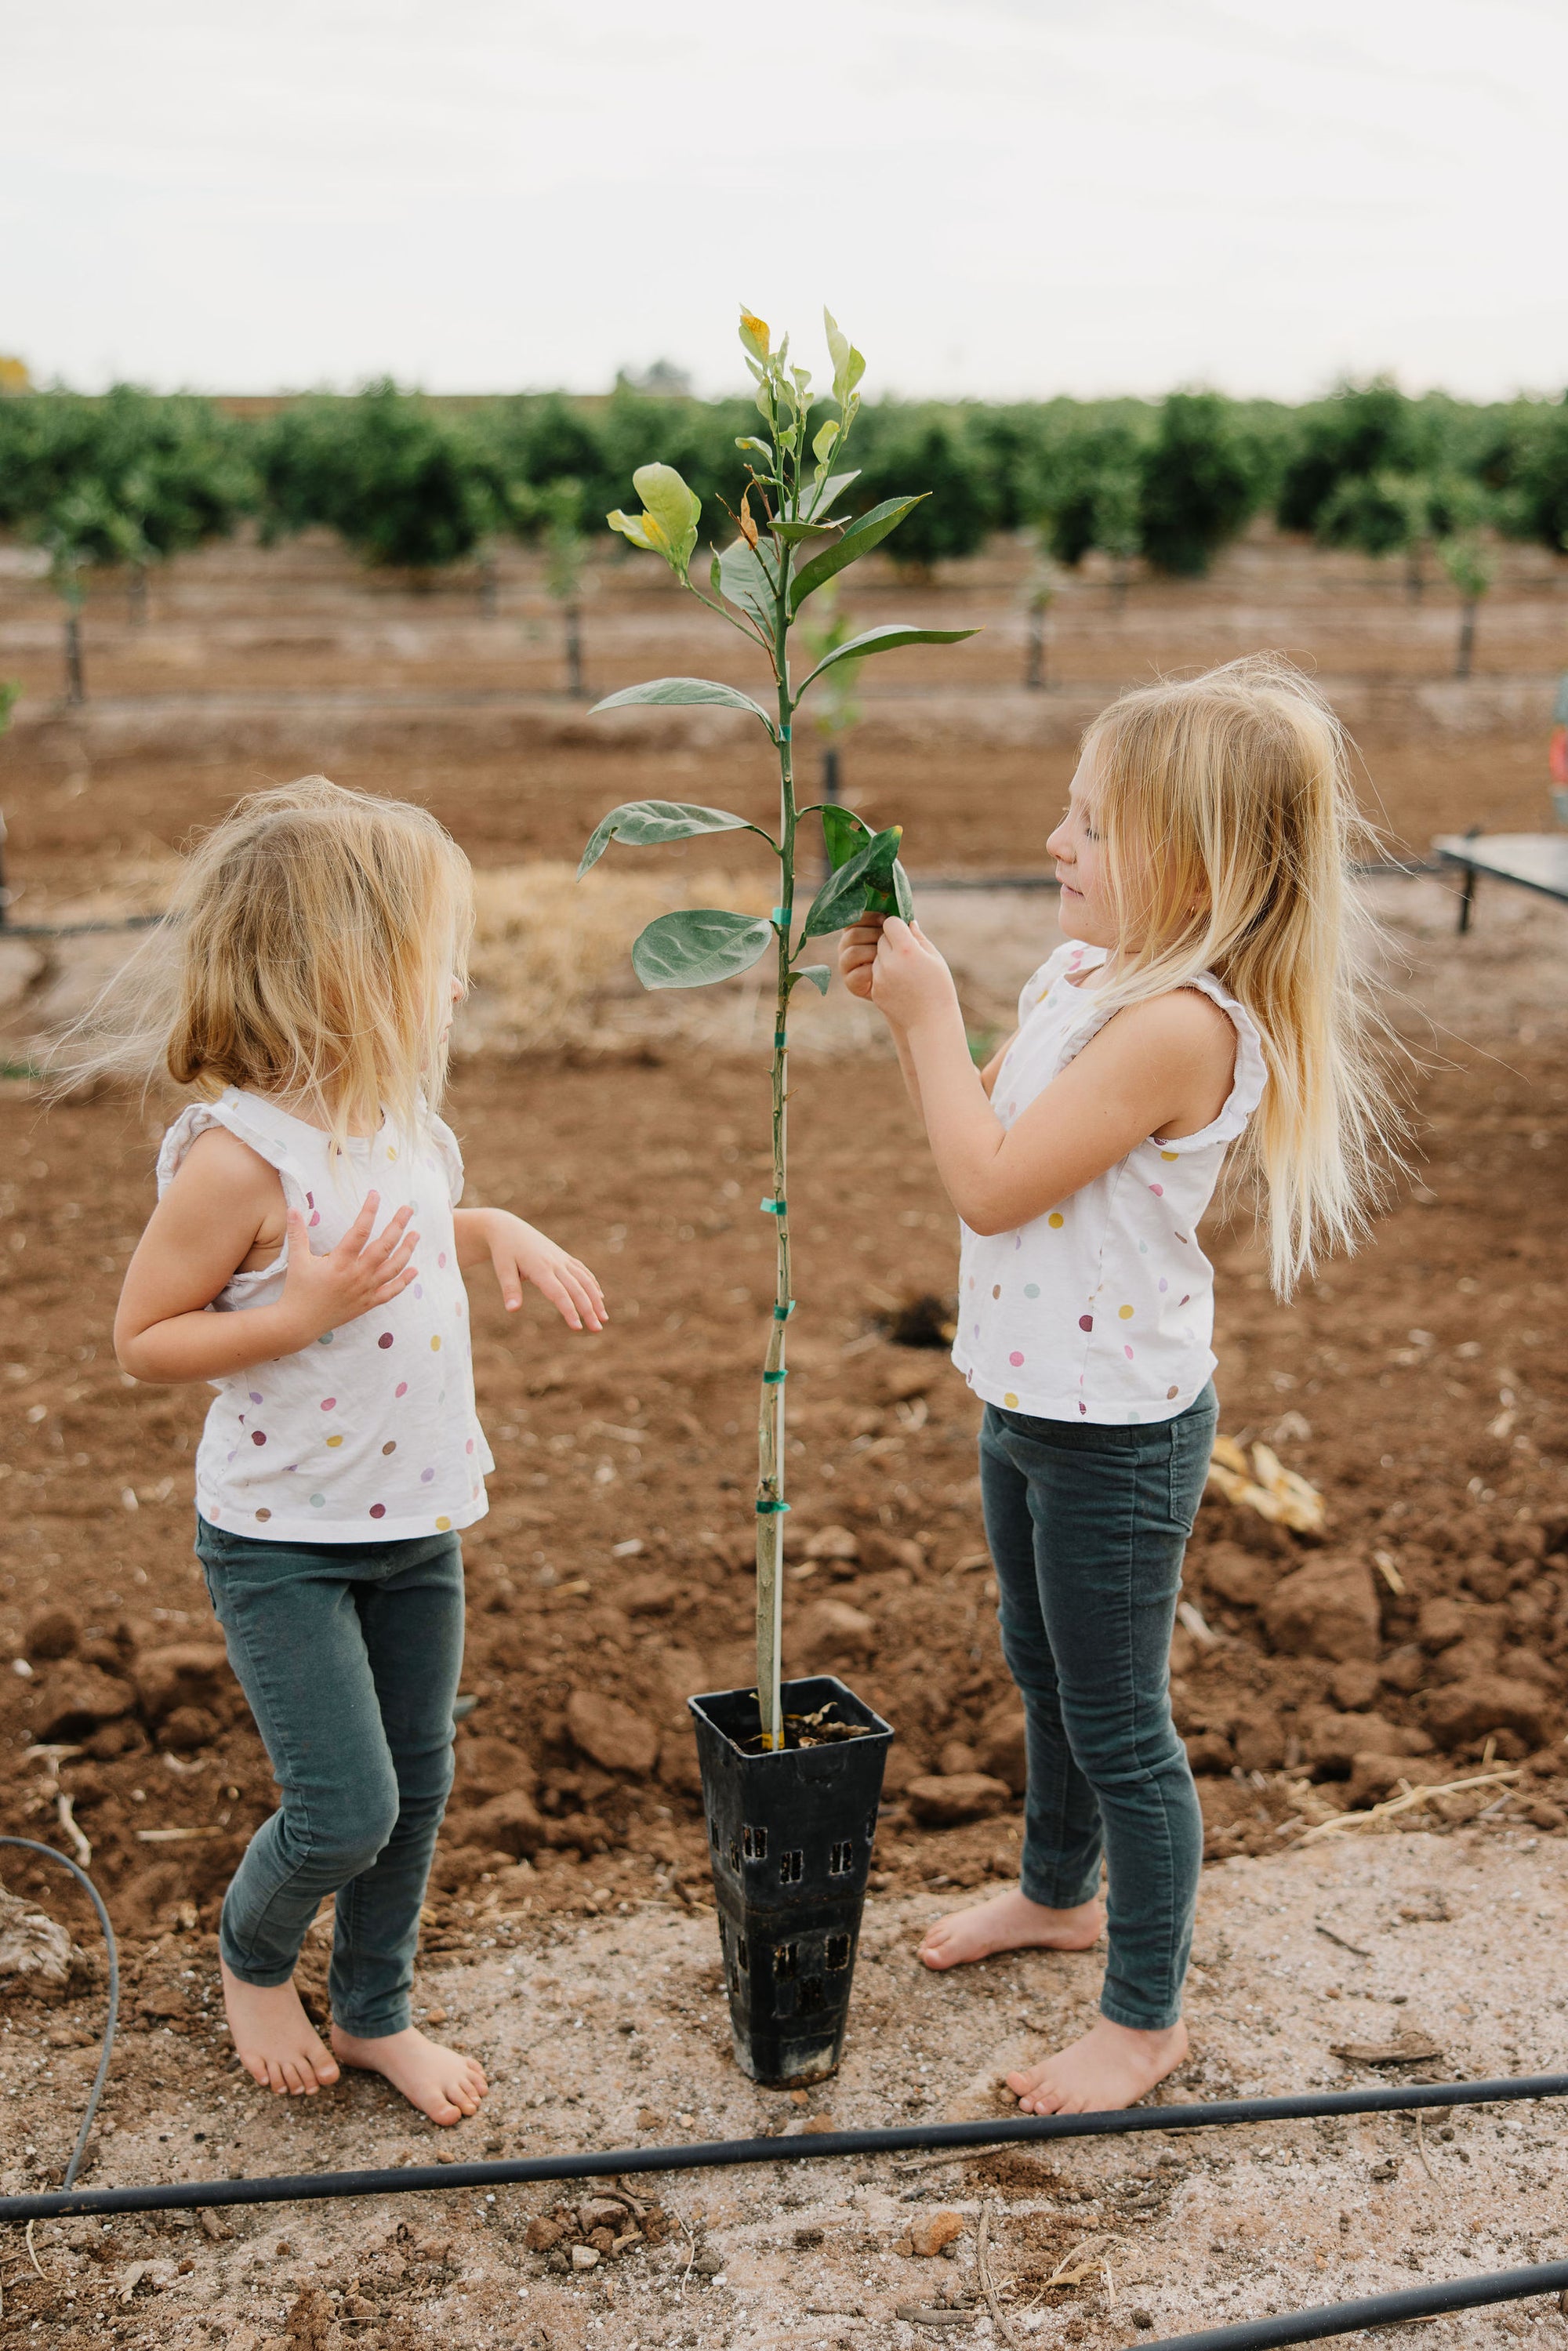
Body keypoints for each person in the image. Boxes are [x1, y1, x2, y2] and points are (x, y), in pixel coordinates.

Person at [840, 656, 1396, 2115]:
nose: (1054, 844)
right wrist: (941, 1021)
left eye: (1089, 824)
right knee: (1046, 1674)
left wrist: (919, 1019)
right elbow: (1012, 1119)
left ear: (1191, 861)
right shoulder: (1087, 976)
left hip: (1117, 1438)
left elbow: (990, 1185)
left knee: (1122, 1727)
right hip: (1029, 1398)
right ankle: (1056, 1892)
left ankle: (1144, 2019)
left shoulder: (1184, 1026)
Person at [93, 778, 605, 2125]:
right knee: (345, 1807)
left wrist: (495, 1232)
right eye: (438, 963)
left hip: (414, 1519)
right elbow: (144, 1336)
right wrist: (301, 1311)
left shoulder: (397, 1128)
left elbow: (414, 1230)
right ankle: (254, 1960)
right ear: (345, 975)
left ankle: (375, 2009)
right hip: (284, 1545)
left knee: (420, 1786)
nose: (458, 987)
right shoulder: (238, 1162)